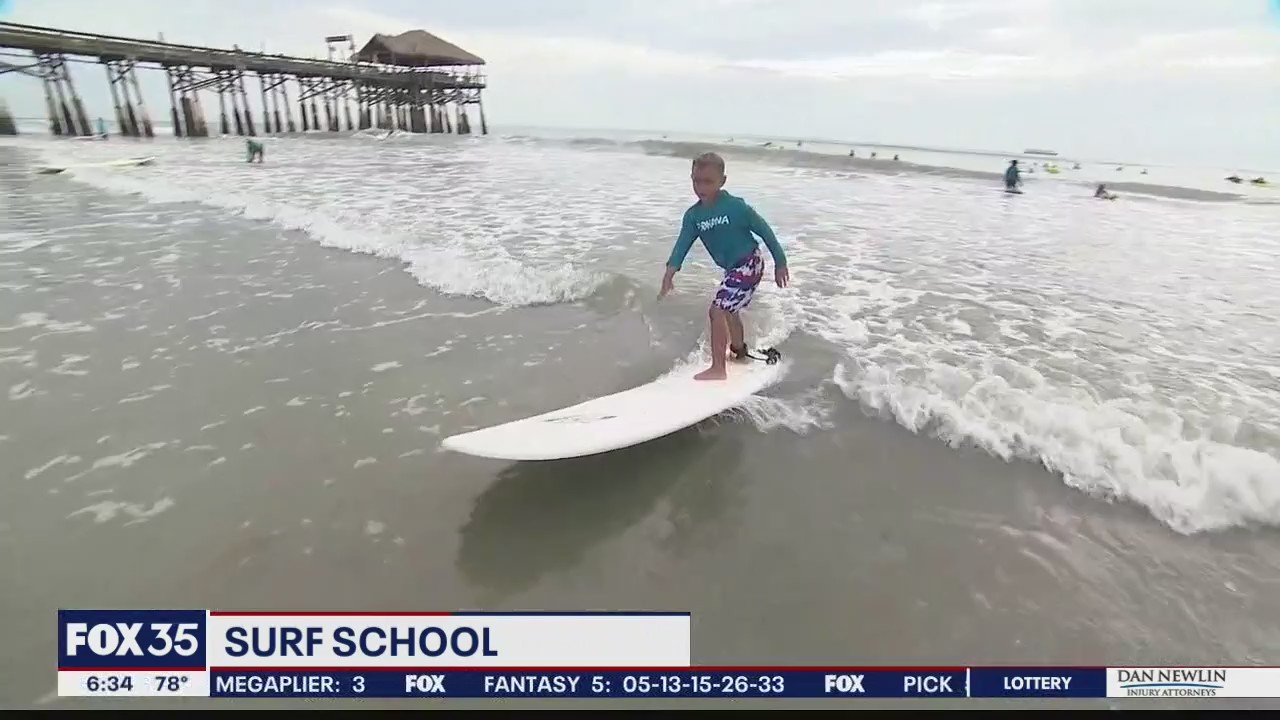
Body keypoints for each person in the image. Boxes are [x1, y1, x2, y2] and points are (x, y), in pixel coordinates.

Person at [658, 152, 789, 381]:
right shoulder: (693, 216)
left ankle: (718, 368)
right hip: (734, 268)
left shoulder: (736, 207)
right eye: (696, 180)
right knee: (729, 310)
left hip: (749, 262)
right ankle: (738, 350)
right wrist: (669, 274)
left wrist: (780, 262)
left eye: (708, 181)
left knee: (717, 310)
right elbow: (682, 246)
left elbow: (765, 231)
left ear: (722, 181)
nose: (701, 187)